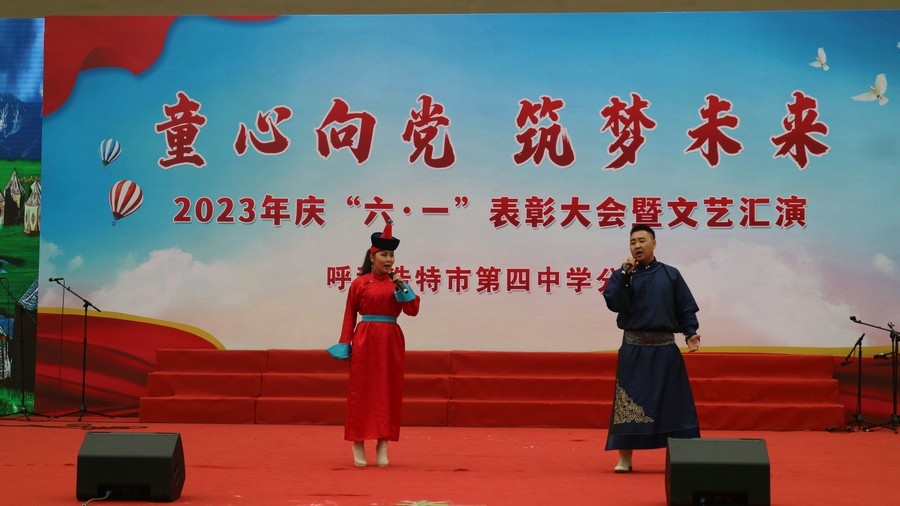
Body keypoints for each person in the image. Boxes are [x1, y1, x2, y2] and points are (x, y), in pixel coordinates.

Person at [602, 224, 701, 473]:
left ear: (654, 244)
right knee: (629, 402)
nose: (637, 246)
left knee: (674, 403)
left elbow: (685, 307)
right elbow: (614, 303)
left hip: (665, 349)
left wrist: (690, 332)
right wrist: (623, 277)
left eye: (642, 240)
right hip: (634, 349)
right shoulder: (622, 276)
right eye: (633, 242)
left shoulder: (671, 274)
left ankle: (681, 458)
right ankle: (625, 458)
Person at [334, 217, 420, 467]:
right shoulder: (359, 284)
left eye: (391, 255)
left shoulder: (397, 285)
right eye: (384, 255)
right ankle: (358, 443)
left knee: (389, 392)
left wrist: (403, 288)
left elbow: (413, 311)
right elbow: (349, 315)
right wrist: (345, 344)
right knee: (361, 392)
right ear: (372, 258)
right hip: (366, 340)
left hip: (391, 341)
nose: (389, 259)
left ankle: (383, 445)